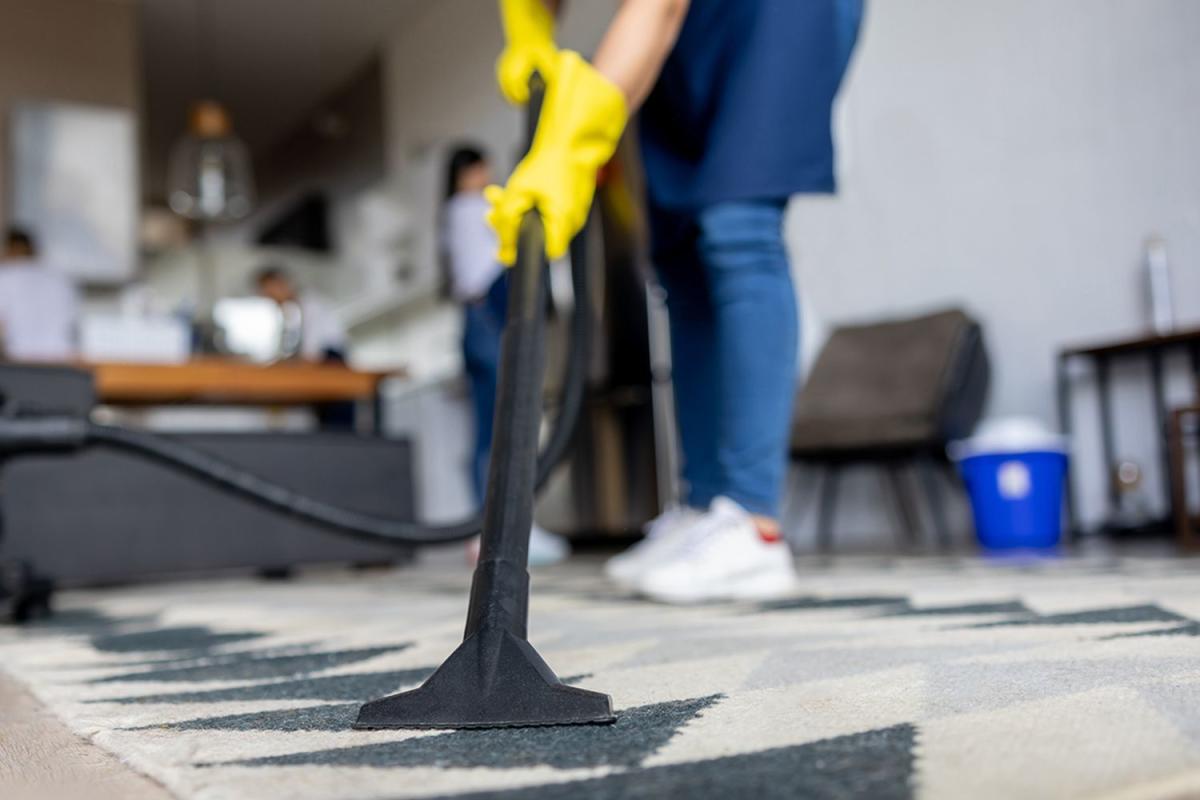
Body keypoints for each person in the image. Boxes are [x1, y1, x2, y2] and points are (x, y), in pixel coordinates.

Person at [486, 0, 863, 602]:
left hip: (774, 15)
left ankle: (753, 522)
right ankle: (705, 508)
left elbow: (656, 7)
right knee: (680, 260)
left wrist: (570, 148)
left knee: (738, 229)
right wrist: (528, 25)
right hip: (687, 32)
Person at [441, 144, 570, 567]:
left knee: (487, 432)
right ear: (470, 171)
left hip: (472, 323)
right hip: (492, 322)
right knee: (511, 424)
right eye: (484, 169)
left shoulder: (450, 213)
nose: (489, 176)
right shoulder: (478, 208)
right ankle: (510, 532)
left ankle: (485, 532)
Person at [0, 228, 79, 363]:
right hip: (62, 361)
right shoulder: (61, 278)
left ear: (12, 248)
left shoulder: (5, 275)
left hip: (20, 361)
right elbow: (73, 323)